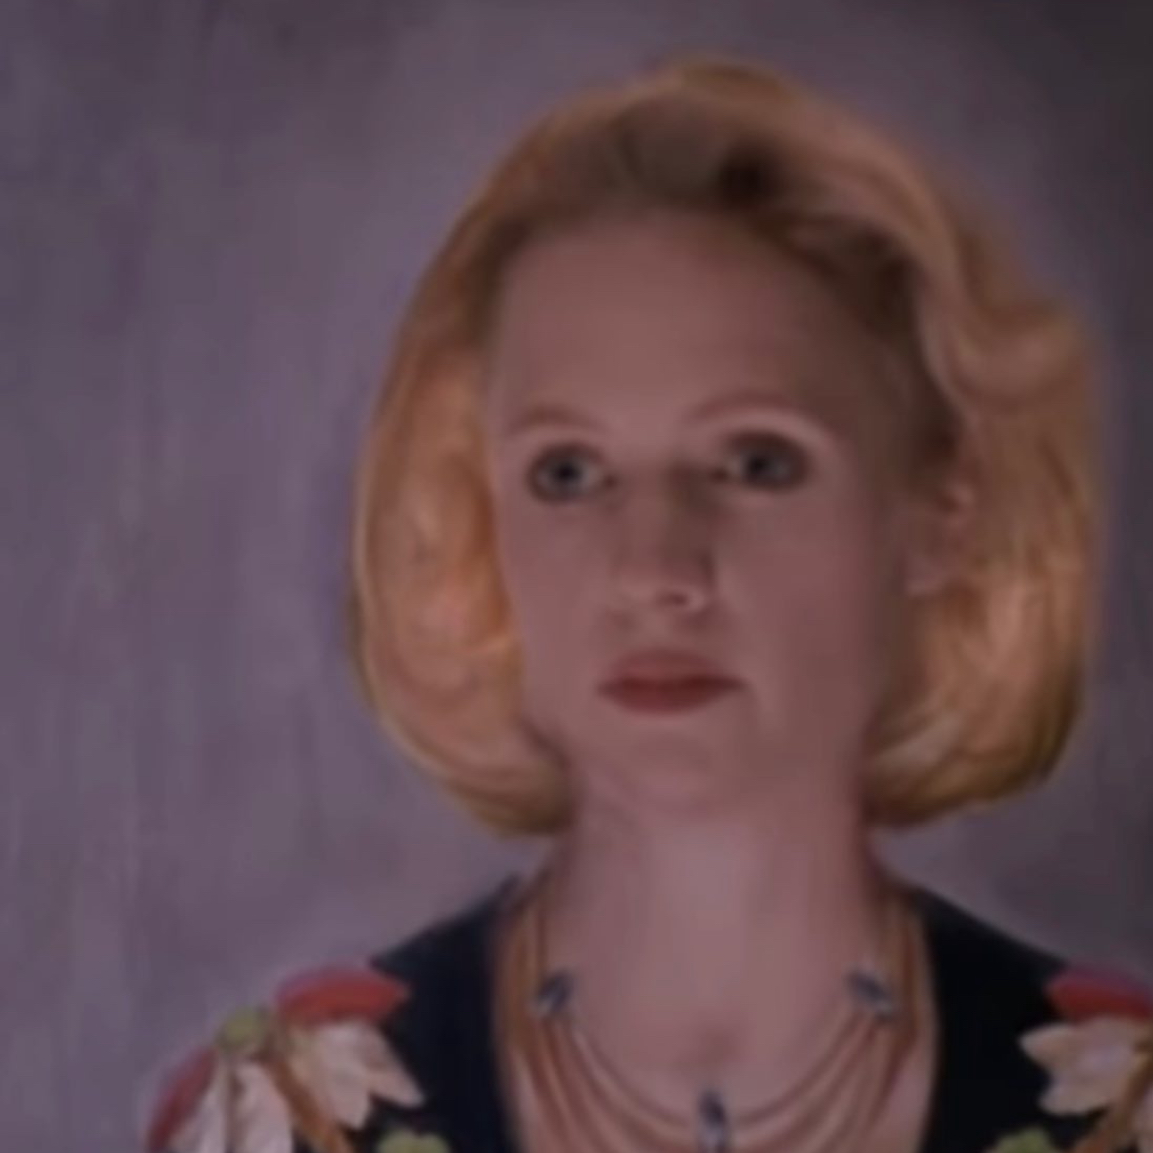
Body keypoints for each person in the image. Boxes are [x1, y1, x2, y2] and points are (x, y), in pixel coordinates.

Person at [143, 53, 1153, 1153]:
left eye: (755, 462)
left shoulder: (1122, 1115)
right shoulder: (283, 1124)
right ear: (481, 517)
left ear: (937, 513)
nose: (653, 569)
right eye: (568, 472)